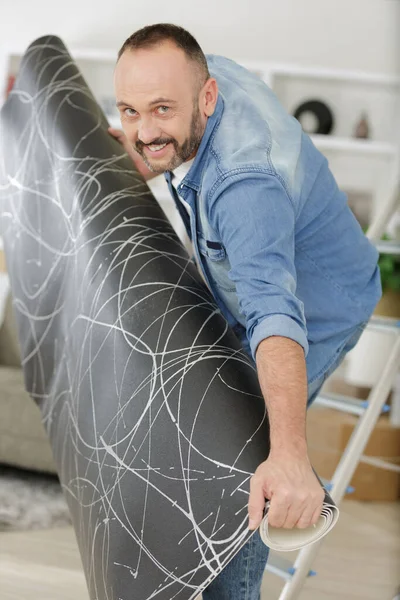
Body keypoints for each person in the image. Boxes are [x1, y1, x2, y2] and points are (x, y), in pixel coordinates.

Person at [109, 23, 382, 600]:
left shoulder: (243, 186)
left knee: (242, 464)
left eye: (161, 109)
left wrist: (286, 458)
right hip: (260, 276)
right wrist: (145, 136)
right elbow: (158, 130)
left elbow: (275, 315)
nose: (145, 129)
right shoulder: (200, 79)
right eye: (131, 110)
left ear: (206, 98)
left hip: (321, 301)